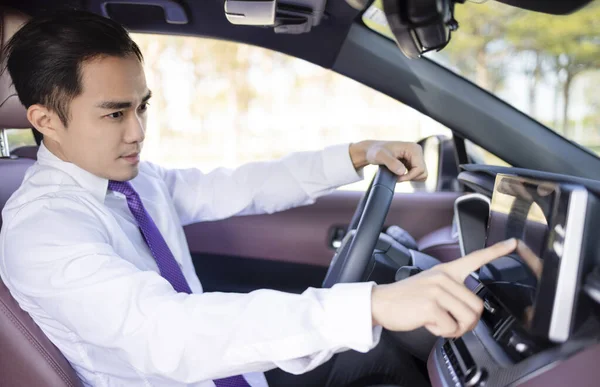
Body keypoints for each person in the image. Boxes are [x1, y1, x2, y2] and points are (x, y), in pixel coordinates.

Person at [0, 9, 518, 387]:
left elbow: (236, 187)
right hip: (182, 374)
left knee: (383, 356)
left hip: (230, 374)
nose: (138, 131)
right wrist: (376, 303)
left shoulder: (130, 181)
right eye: (115, 113)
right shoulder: (43, 231)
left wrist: (358, 155)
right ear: (46, 120)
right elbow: (167, 336)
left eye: (143, 107)